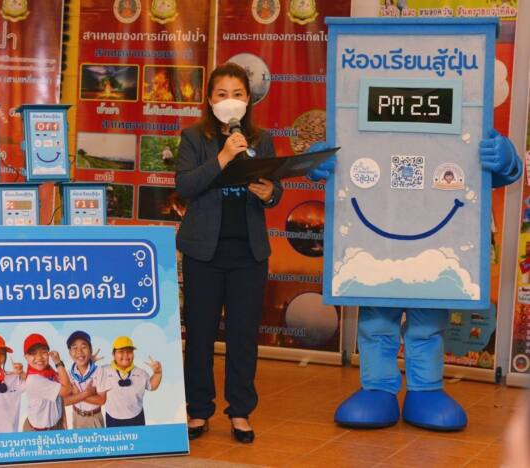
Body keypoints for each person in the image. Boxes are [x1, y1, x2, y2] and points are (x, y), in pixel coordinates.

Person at [308, 128, 522, 431]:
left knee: (427, 322)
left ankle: (425, 388)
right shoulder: (362, 118)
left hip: (436, 244)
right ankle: (377, 387)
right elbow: (341, 152)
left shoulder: (464, 117)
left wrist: (505, 158)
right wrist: (318, 161)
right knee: (377, 319)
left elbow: (494, 173)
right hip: (377, 239)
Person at [175, 61, 283, 443]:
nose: (230, 100)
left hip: (248, 254)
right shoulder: (194, 138)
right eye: (222, 94)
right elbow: (185, 186)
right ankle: (198, 410)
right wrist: (222, 157)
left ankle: (240, 411)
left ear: (248, 99)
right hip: (204, 252)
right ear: (209, 99)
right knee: (200, 335)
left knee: (243, 337)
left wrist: (270, 194)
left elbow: (275, 188)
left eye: (237, 94)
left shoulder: (262, 139)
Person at [20, 333, 94, 432]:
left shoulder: (49, 372)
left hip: (56, 424)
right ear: (26, 357)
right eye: (33, 353)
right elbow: (67, 390)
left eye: (43, 352)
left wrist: (63, 420)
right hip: (38, 431)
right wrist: (58, 362)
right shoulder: (35, 380)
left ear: (48, 353)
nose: (39, 357)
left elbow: (60, 399)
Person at [95, 336, 162, 427]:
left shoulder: (141, 373)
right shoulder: (104, 370)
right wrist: (89, 363)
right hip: (113, 417)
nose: (126, 355)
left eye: (129, 352)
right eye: (121, 352)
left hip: (136, 416)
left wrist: (158, 373)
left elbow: (152, 386)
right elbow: (88, 378)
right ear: (113, 354)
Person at [66, 330, 106, 428]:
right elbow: (65, 401)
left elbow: (101, 400)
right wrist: (87, 393)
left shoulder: (99, 372)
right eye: (74, 348)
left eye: (84, 347)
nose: (79, 351)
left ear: (90, 350)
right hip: (76, 416)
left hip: (94, 417)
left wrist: (77, 395)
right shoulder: (69, 374)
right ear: (70, 353)